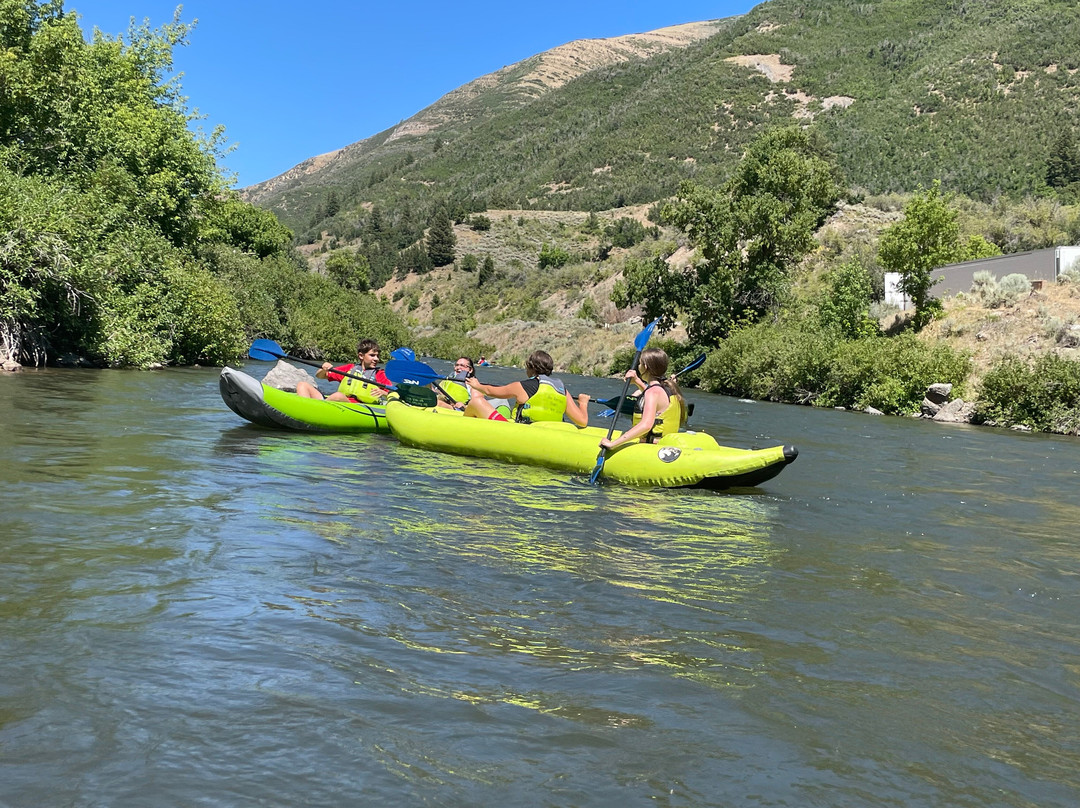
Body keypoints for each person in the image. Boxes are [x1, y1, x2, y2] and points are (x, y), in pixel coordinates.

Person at [464, 349, 589, 426]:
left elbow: (490, 391)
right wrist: (583, 403)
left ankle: (464, 427)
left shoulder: (521, 386)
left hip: (522, 433)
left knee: (477, 402)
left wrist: (477, 385)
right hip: (550, 434)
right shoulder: (562, 390)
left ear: (531, 368)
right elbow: (582, 421)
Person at [599, 348, 687, 450]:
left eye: (640, 363)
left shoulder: (652, 392)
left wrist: (613, 444)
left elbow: (646, 425)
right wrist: (637, 381)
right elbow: (654, 399)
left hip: (651, 448)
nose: (638, 366)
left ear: (645, 367)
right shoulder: (669, 388)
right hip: (666, 445)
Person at [295, 339, 389, 402]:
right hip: (338, 403)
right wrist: (323, 369)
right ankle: (307, 408)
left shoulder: (380, 374)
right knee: (302, 385)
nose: (376, 359)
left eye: (377, 356)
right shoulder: (350, 368)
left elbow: (394, 394)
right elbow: (320, 376)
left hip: (357, 406)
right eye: (372, 355)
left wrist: (384, 393)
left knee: (338, 396)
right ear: (361, 356)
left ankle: (314, 410)